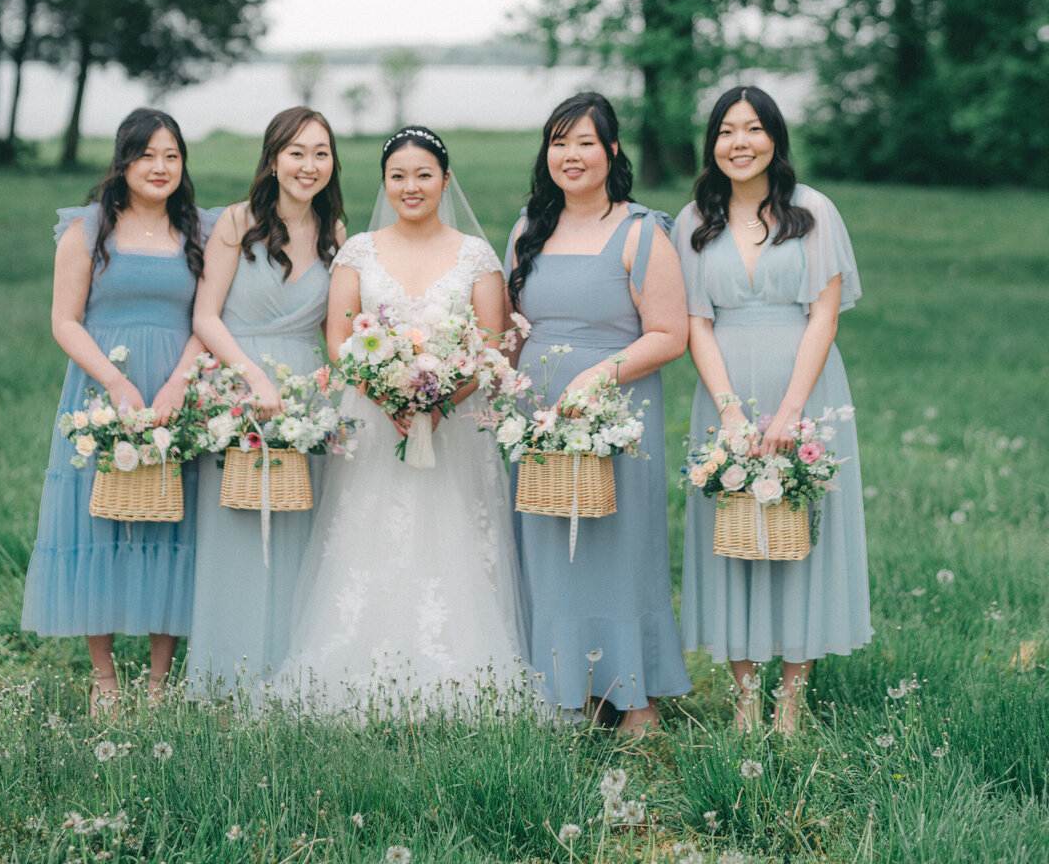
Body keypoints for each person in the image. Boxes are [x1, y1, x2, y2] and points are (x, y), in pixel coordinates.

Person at [279, 125, 527, 710]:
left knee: (453, 534)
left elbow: (493, 344)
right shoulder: (359, 251)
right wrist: (386, 392)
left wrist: (440, 399)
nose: (410, 186)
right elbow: (339, 338)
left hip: (457, 423)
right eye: (398, 176)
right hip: (372, 419)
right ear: (384, 183)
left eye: (423, 174)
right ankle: (359, 664)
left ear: (445, 178)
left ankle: (462, 673)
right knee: (368, 537)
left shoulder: (475, 255)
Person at [676, 85, 871, 733]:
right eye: (727, 131)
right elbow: (696, 323)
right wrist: (730, 411)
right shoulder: (693, 221)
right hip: (725, 387)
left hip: (805, 387)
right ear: (713, 144)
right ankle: (744, 699)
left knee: (800, 536)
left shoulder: (814, 213)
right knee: (732, 536)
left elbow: (823, 316)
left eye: (753, 129)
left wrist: (790, 411)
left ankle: (789, 703)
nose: (740, 142)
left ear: (775, 139)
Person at [22, 108, 221, 714]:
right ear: (124, 161)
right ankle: (104, 677)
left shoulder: (203, 232)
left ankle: (160, 679)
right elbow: (64, 320)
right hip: (102, 389)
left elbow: (209, 319)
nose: (159, 168)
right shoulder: (86, 230)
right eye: (146, 156)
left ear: (182, 164)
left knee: (173, 519)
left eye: (171, 156)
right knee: (97, 518)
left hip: (176, 393)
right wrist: (113, 383)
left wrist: (179, 385)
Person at [506, 92, 692, 733]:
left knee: (617, 550)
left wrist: (596, 376)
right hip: (537, 417)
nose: (571, 155)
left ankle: (634, 699)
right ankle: (571, 692)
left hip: (616, 414)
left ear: (612, 150)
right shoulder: (529, 226)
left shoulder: (642, 232)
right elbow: (514, 327)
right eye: (559, 143)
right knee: (550, 549)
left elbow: (669, 334)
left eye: (585, 141)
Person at [185, 107, 346, 698]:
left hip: (305, 396)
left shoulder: (336, 236)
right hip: (240, 388)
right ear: (273, 159)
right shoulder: (235, 222)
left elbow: (338, 330)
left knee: (301, 531)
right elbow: (205, 315)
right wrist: (253, 377)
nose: (309, 165)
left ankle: (292, 675)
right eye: (297, 152)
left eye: (321, 153)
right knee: (236, 530)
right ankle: (227, 677)